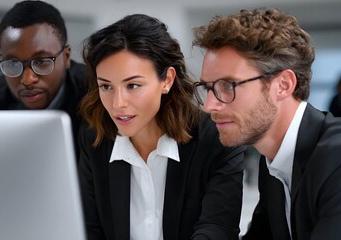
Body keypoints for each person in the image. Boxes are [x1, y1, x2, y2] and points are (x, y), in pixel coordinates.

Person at [78, 14, 246, 240]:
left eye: (133, 85)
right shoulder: (94, 140)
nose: (118, 103)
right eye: (106, 86)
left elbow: (218, 230)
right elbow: (88, 230)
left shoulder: (217, 139)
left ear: (167, 80)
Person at [193, 7, 341, 240]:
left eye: (228, 85)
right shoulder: (273, 165)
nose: (209, 106)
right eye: (208, 89)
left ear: (283, 85)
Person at [0, 0, 87, 158]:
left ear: (67, 57)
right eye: (13, 63)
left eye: (41, 62)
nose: (27, 80)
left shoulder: (94, 94)